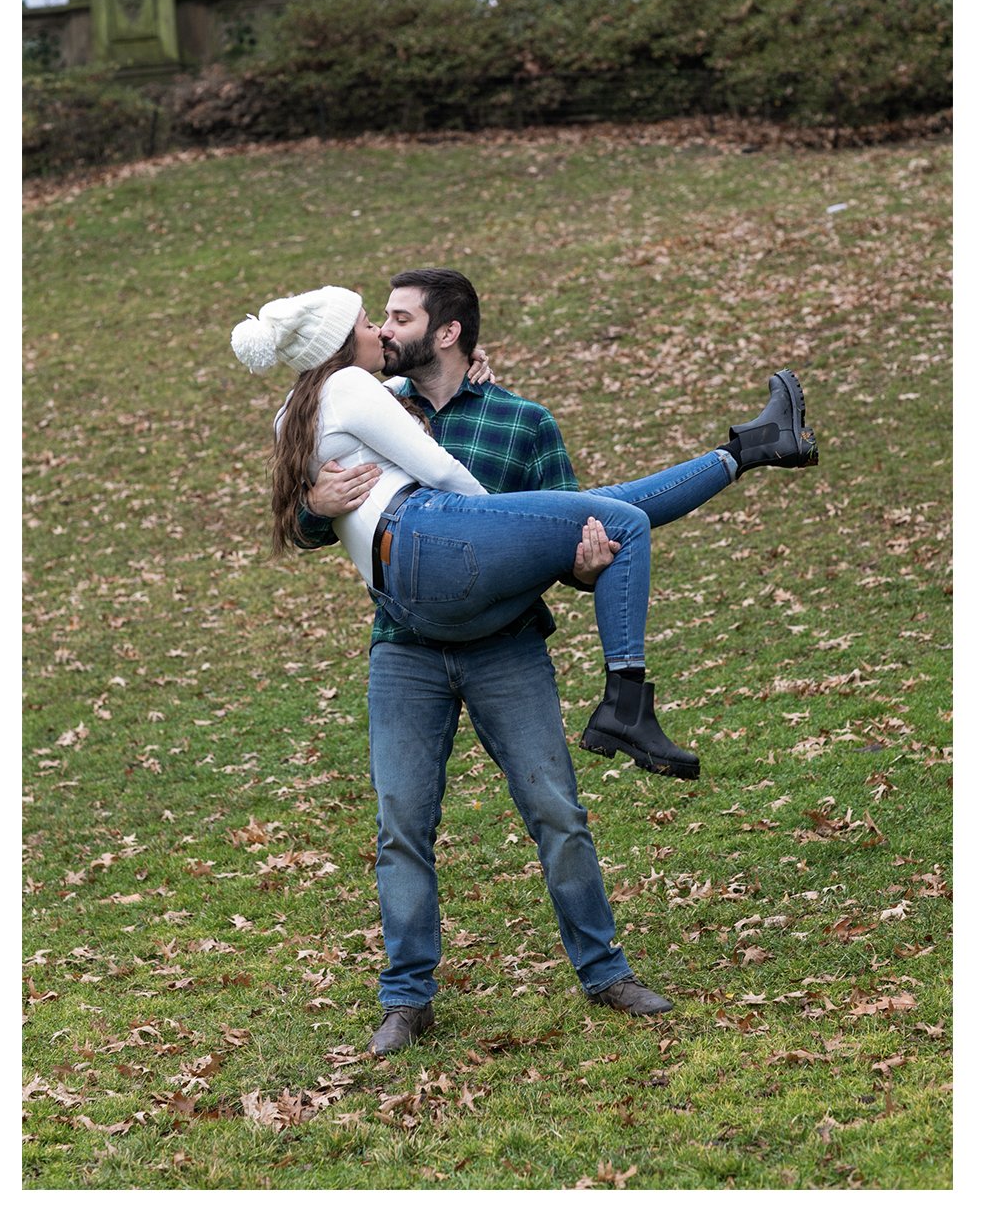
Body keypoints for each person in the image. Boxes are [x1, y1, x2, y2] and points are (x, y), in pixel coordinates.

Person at [231, 274, 816, 1053]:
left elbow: (581, 554)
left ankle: (604, 970)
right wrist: (321, 505)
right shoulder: (368, 392)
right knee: (402, 823)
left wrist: (571, 554)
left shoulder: (518, 419)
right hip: (408, 644)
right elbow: (398, 496)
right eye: (378, 318)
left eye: (398, 315)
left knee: (558, 812)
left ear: (448, 333)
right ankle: (407, 997)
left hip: (503, 645)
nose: (387, 325)